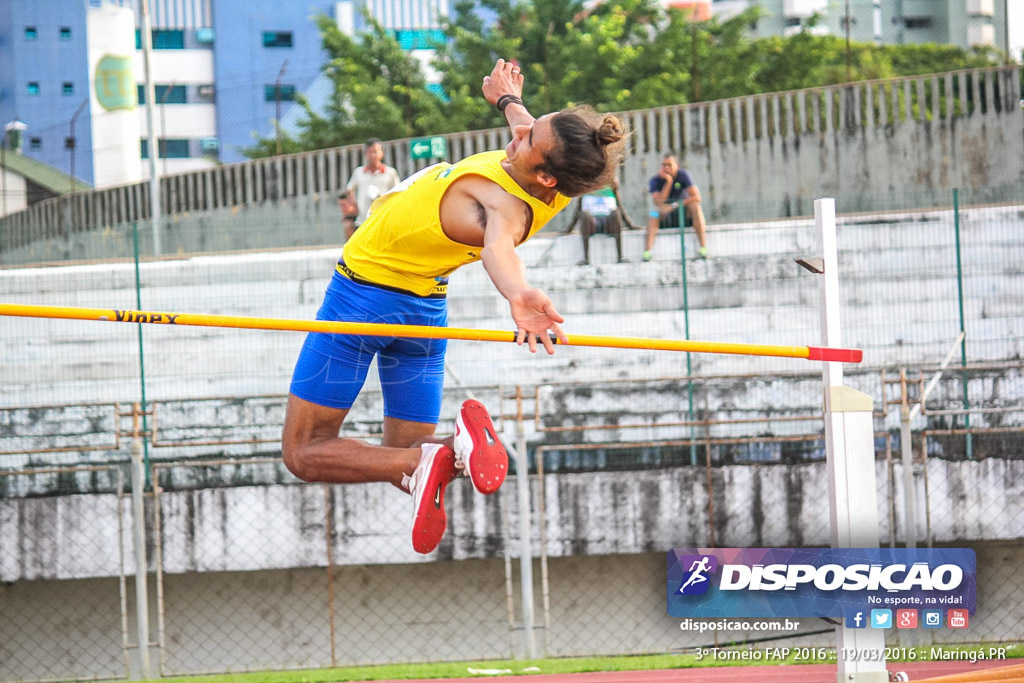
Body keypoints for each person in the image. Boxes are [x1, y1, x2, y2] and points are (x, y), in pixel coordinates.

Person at [282, 59, 627, 555]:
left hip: (363, 303)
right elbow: (532, 130)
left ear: (546, 177)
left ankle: (424, 465)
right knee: (408, 456)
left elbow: (498, 250)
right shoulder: (548, 174)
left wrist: (518, 293)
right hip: (424, 317)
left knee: (305, 452)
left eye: (531, 139)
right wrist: (508, 100)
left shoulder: (502, 206)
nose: (522, 133)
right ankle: (451, 454)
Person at [643, 154, 707, 261]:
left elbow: (697, 197)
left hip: (683, 213)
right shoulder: (655, 180)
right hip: (666, 217)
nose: (666, 168)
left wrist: (675, 205)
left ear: (677, 166)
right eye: (664, 165)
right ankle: (648, 251)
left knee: (696, 207)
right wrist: (668, 182)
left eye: (669, 165)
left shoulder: (684, 175)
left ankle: (703, 247)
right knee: (653, 213)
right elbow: (658, 202)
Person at [562, 177, 638, 265]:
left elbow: (619, 206)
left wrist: (631, 225)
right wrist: (569, 229)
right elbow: (578, 210)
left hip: (608, 223)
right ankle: (586, 259)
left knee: (615, 213)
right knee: (584, 215)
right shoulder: (584, 183)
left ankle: (620, 256)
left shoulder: (612, 182)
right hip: (592, 224)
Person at [338, 138, 401, 242]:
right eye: (369, 152)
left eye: (375, 152)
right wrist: (354, 206)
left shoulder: (390, 173)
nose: (373, 155)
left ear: (382, 153)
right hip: (363, 221)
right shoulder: (359, 172)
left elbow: (398, 192)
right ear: (365, 154)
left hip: (383, 220)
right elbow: (350, 189)